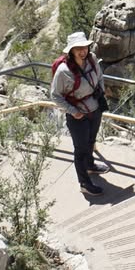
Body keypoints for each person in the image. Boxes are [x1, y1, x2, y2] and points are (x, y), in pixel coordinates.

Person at [51, 31, 110, 196]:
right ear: (71, 51)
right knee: (81, 149)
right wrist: (73, 111)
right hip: (77, 115)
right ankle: (84, 183)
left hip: (95, 108)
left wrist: (100, 93)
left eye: (84, 47)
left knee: (91, 140)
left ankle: (90, 165)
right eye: (78, 49)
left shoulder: (92, 59)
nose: (82, 51)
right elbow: (55, 95)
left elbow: (99, 77)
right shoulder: (63, 71)